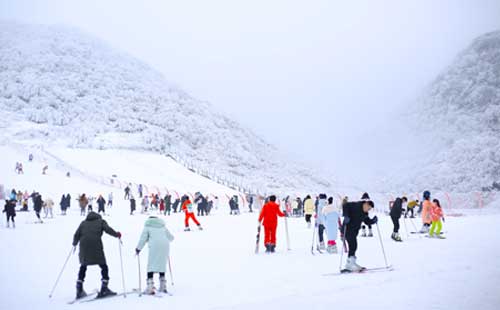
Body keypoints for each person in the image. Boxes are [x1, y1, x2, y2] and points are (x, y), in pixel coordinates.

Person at [72, 212, 122, 299]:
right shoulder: (101, 221)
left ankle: (79, 288)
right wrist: (116, 234)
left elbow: (76, 234)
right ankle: (104, 288)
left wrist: (74, 243)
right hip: (96, 245)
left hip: (84, 246)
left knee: (83, 266)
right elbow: (108, 229)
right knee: (103, 266)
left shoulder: (83, 223)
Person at [135, 216, 175, 294]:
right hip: (165, 245)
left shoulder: (148, 226)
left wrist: (138, 248)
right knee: (161, 264)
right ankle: (163, 286)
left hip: (154, 246)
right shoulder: (162, 226)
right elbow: (171, 238)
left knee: (151, 265)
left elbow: (143, 239)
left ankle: (150, 287)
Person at [342, 199, 377, 271]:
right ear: (366, 204)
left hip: (354, 231)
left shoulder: (365, 213)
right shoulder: (356, 205)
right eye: (368, 208)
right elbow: (345, 205)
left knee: (353, 246)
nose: (368, 210)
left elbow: (367, 221)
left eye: (370, 209)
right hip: (347, 228)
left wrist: (373, 221)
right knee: (353, 245)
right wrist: (346, 216)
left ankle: (351, 263)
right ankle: (350, 264)